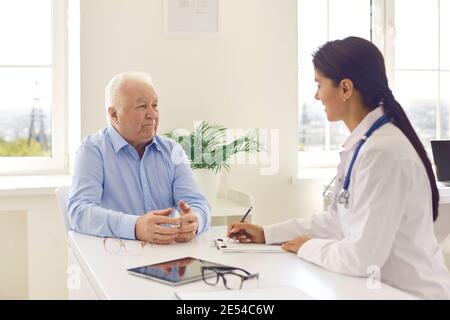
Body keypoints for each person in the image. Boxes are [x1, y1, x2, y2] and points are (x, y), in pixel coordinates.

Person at [227, 37, 450, 299]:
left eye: (319, 84)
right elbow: (336, 220)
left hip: (408, 293)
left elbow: (362, 258)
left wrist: (307, 247)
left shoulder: (383, 152)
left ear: (345, 88)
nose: (316, 95)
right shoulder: (365, 145)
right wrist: (268, 233)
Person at [68, 71, 210, 244]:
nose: (152, 114)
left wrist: (195, 221)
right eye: (142, 106)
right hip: (115, 257)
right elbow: (79, 212)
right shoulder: (92, 151)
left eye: (155, 105)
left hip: (170, 257)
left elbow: (197, 203)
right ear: (114, 115)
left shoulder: (173, 150)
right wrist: (135, 227)